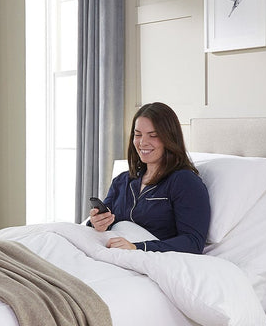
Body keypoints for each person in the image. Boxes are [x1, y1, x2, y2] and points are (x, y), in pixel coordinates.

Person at [88, 102, 210, 254]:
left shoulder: (184, 182)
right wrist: (97, 223)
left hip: (144, 260)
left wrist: (137, 247)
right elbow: (105, 224)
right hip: (108, 252)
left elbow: (193, 242)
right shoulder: (122, 181)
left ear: (169, 138)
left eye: (153, 135)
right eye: (137, 135)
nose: (142, 142)